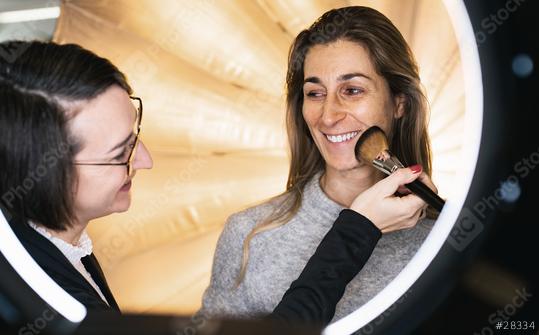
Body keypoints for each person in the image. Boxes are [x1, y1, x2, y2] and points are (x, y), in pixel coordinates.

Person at [0, 40, 430, 325]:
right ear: (43, 172)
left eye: (353, 90)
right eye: (120, 154)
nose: (145, 161)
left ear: (399, 105)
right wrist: (356, 232)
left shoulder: (65, 253)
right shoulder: (46, 302)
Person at [200, 6, 439, 323]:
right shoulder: (249, 235)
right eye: (314, 93)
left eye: (352, 90)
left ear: (400, 103)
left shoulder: (444, 238)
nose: (328, 116)